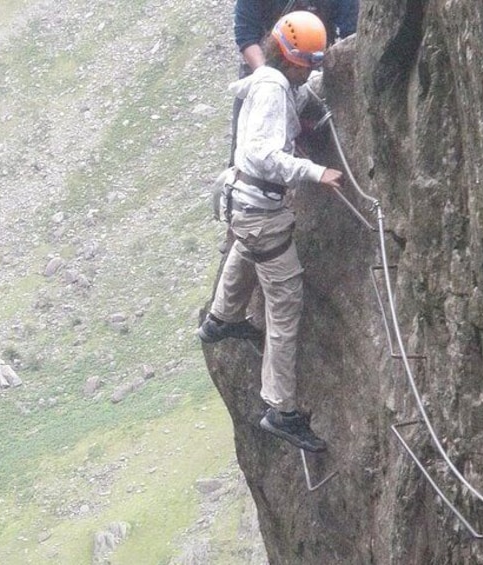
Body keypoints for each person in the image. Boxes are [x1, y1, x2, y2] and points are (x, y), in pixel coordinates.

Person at [198, 11, 344, 453]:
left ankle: (220, 320)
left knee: (249, 246)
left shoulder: (269, 81)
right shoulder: (273, 92)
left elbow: (292, 100)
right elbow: (263, 155)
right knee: (284, 303)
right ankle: (279, 409)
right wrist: (315, 171)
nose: (312, 71)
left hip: (245, 205)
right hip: (260, 207)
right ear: (293, 60)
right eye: (309, 65)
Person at [229, 1, 358, 165]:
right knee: (246, 151)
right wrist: (269, 79)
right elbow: (246, 36)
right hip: (266, 69)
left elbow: (351, 34)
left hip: (313, 69)